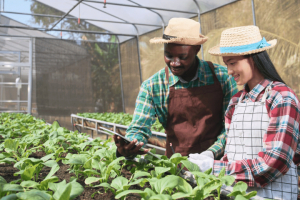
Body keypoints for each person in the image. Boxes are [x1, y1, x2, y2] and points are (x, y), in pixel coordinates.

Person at [188, 25, 300, 199]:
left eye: (233, 63)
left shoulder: (281, 97)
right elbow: (233, 148)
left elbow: (275, 162)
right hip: (237, 193)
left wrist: (214, 168)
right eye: (227, 64)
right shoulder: (236, 101)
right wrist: (210, 157)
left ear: (253, 59)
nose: (229, 71)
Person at [114, 18, 238, 159]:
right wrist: (131, 143)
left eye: (182, 57)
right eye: (168, 55)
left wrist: (211, 154)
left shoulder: (223, 77)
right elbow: (139, 127)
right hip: (177, 167)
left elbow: (232, 126)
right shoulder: (153, 86)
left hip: (219, 163)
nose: (175, 63)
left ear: (197, 50)